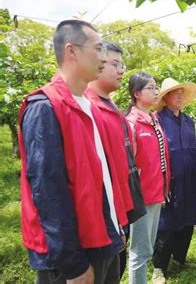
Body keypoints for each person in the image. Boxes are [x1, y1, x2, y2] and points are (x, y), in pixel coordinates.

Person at [18, 20, 131, 283]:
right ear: (72, 51)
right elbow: (47, 192)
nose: (104, 57)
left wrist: (115, 227)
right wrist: (73, 265)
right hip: (72, 255)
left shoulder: (91, 107)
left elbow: (101, 176)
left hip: (102, 238)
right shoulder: (45, 107)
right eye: (98, 48)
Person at [85, 41, 146, 280]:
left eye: (122, 65)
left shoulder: (110, 107)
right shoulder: (88, 108)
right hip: (100, 223)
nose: (121, 71)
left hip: (118, 215)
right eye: (114, 64)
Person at [151, 78, 196, 281]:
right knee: (167, 225)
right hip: (169, 181)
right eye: (176, 93)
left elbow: (193, 152)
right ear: (166, 97)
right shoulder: (156, 120)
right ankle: (159, 266)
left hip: (189, 179)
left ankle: (180, 258)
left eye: (182, 93)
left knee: (188, 221)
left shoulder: (188, 122)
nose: (180, 97)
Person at [125, 72, 171, 284]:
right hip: (141, 197)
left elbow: (159, 160)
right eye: (150, 88)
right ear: (136, 93)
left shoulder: (153, 120)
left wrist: (163, 191)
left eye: (156, 87)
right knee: (139, 253)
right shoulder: (131, 123)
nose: (156, 91)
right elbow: (128, 166)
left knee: (147, 248)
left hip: (155, 194)